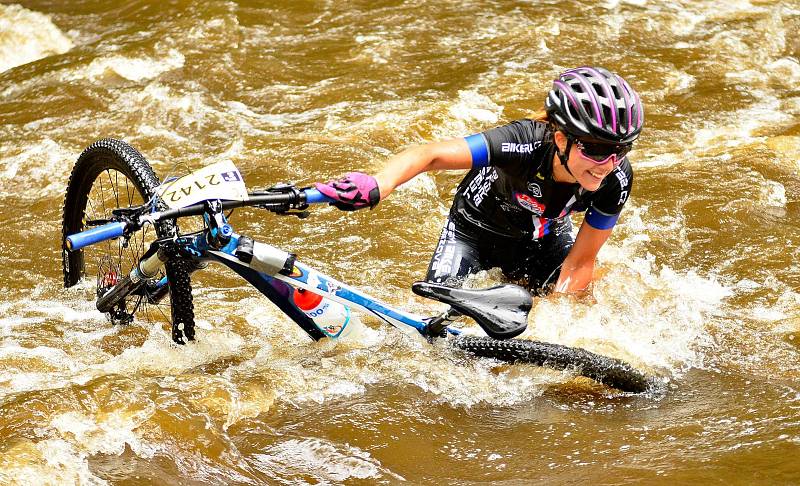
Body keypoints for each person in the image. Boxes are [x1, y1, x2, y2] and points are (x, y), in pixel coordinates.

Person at [314, 66, 643, 295]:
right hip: (473, 234)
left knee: (581, 297)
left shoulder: (616, 178)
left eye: (620, 150)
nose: (608, 164)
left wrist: (560, 326)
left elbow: (580, 262)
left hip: (542, 240)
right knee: (437, 311)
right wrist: (380, 183)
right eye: (597, 151)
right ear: (561, 139)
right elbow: (429, 155)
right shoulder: (521, 143)